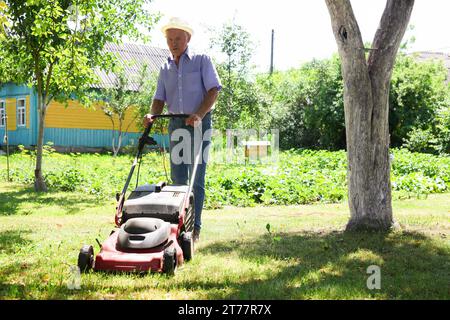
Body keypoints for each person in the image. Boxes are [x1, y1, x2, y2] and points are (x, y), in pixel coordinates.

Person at [143, 17, 221, 242]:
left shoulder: (201, 60)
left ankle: (195, 229)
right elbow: (159, 98)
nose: (173, 43)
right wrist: (152, 114)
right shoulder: (165, 66)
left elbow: (213, 90)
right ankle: (178, 228)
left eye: (178, 38)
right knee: (178, 180)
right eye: (170, 39)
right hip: (176, 123)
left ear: (188, 38)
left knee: (196, 178)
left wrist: (199, 113)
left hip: (198, 123)